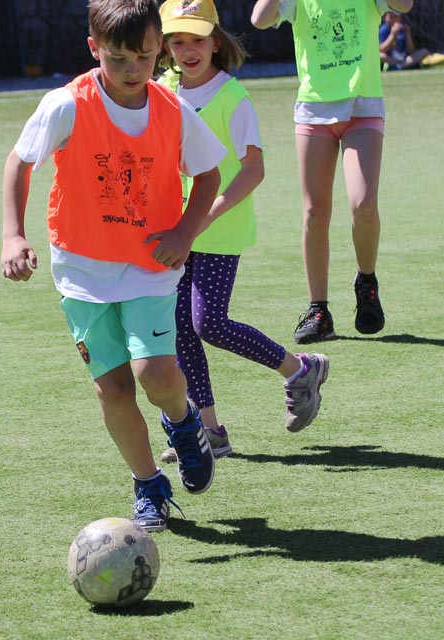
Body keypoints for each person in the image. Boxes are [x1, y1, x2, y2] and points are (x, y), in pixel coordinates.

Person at [0, 0, 229, 532]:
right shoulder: (66, 104)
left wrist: (184, 232)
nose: (133, 70)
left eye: (145, 57)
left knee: (157, 376)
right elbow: (20, 161)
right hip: (81, 270)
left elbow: (209, 176)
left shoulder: (172, 110)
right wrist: (13, 234)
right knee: (114, 390)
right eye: (118, 58)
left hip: (150, 265)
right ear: (93, 48)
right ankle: (149, 484)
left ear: (159, 51)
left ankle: (183, 421)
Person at [155, 0, 329, 462]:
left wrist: (207, 215)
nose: (189, 50)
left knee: (208, 322)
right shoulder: (162, 88)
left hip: (219, 229)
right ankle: (210, 432)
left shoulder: (233, 97)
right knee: (180, 328)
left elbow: (254, 169)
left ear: (216, 41)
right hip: (175, 229)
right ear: (165, 47)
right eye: (178, 41)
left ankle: (299, 369)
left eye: (197, 40)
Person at [251, 0, 416, 344]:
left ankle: (366, 283)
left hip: (363, 108)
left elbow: (404, 4)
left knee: (363, 204)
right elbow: (259, 19)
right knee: (315, 213)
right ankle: (319, 311)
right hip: (313, 113)